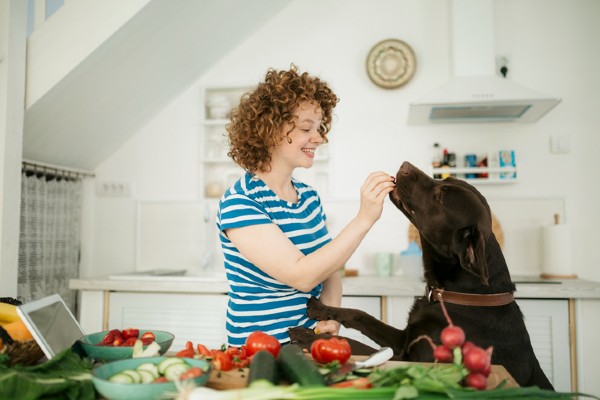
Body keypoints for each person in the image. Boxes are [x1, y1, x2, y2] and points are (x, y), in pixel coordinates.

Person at [216, 65, 395, 346]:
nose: (319, 137)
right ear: (270, 130)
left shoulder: (309, 198)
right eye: (305, 128)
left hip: (311, 343)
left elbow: (330, 269)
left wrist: (332, 315)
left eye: (319, 127)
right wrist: (364, 219)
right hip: (261, 350)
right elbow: (302, 275)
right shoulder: (241, 202)